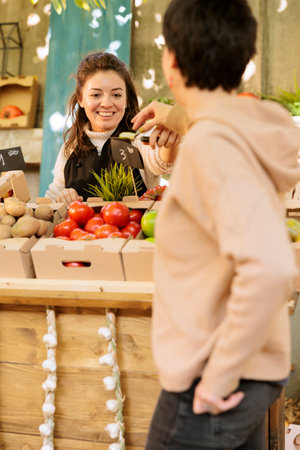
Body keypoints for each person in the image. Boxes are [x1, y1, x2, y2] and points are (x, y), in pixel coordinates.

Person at [131, 0, 300, 449]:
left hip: (213, 376)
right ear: (245, 62)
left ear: (171, 61)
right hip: (245, 368)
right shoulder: (240, 130)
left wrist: (217, 376)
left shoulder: (212, 144)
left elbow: (271, 267)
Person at [45, 51, 181, 205]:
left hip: (136, 228)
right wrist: (62, 196)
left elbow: (160, 161)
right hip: (80, 229)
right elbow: (52, 196)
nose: (107, 103)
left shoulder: (138, 136)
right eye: (96, 95)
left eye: (116, 95)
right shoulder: (70, 148)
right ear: (81, 99)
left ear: (127, 100)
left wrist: (170, 139)